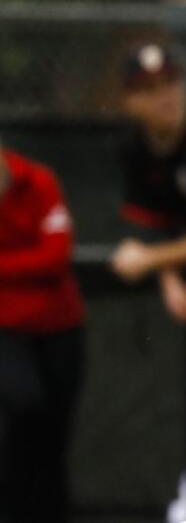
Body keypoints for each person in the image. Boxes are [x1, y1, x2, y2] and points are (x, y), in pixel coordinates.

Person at [107, 42, 186, 521]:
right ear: (129, 101)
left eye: (170, 83)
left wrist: (154, 261)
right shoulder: (136, 149)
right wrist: (169, 273)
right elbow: (152, 221)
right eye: (148, 90)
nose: (163, 96)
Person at [0, 142, 84, 523]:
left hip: (61, 329)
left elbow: (55, 256)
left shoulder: (38, 180)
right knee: (22, 412)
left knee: (54, 438)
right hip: (8, 334)